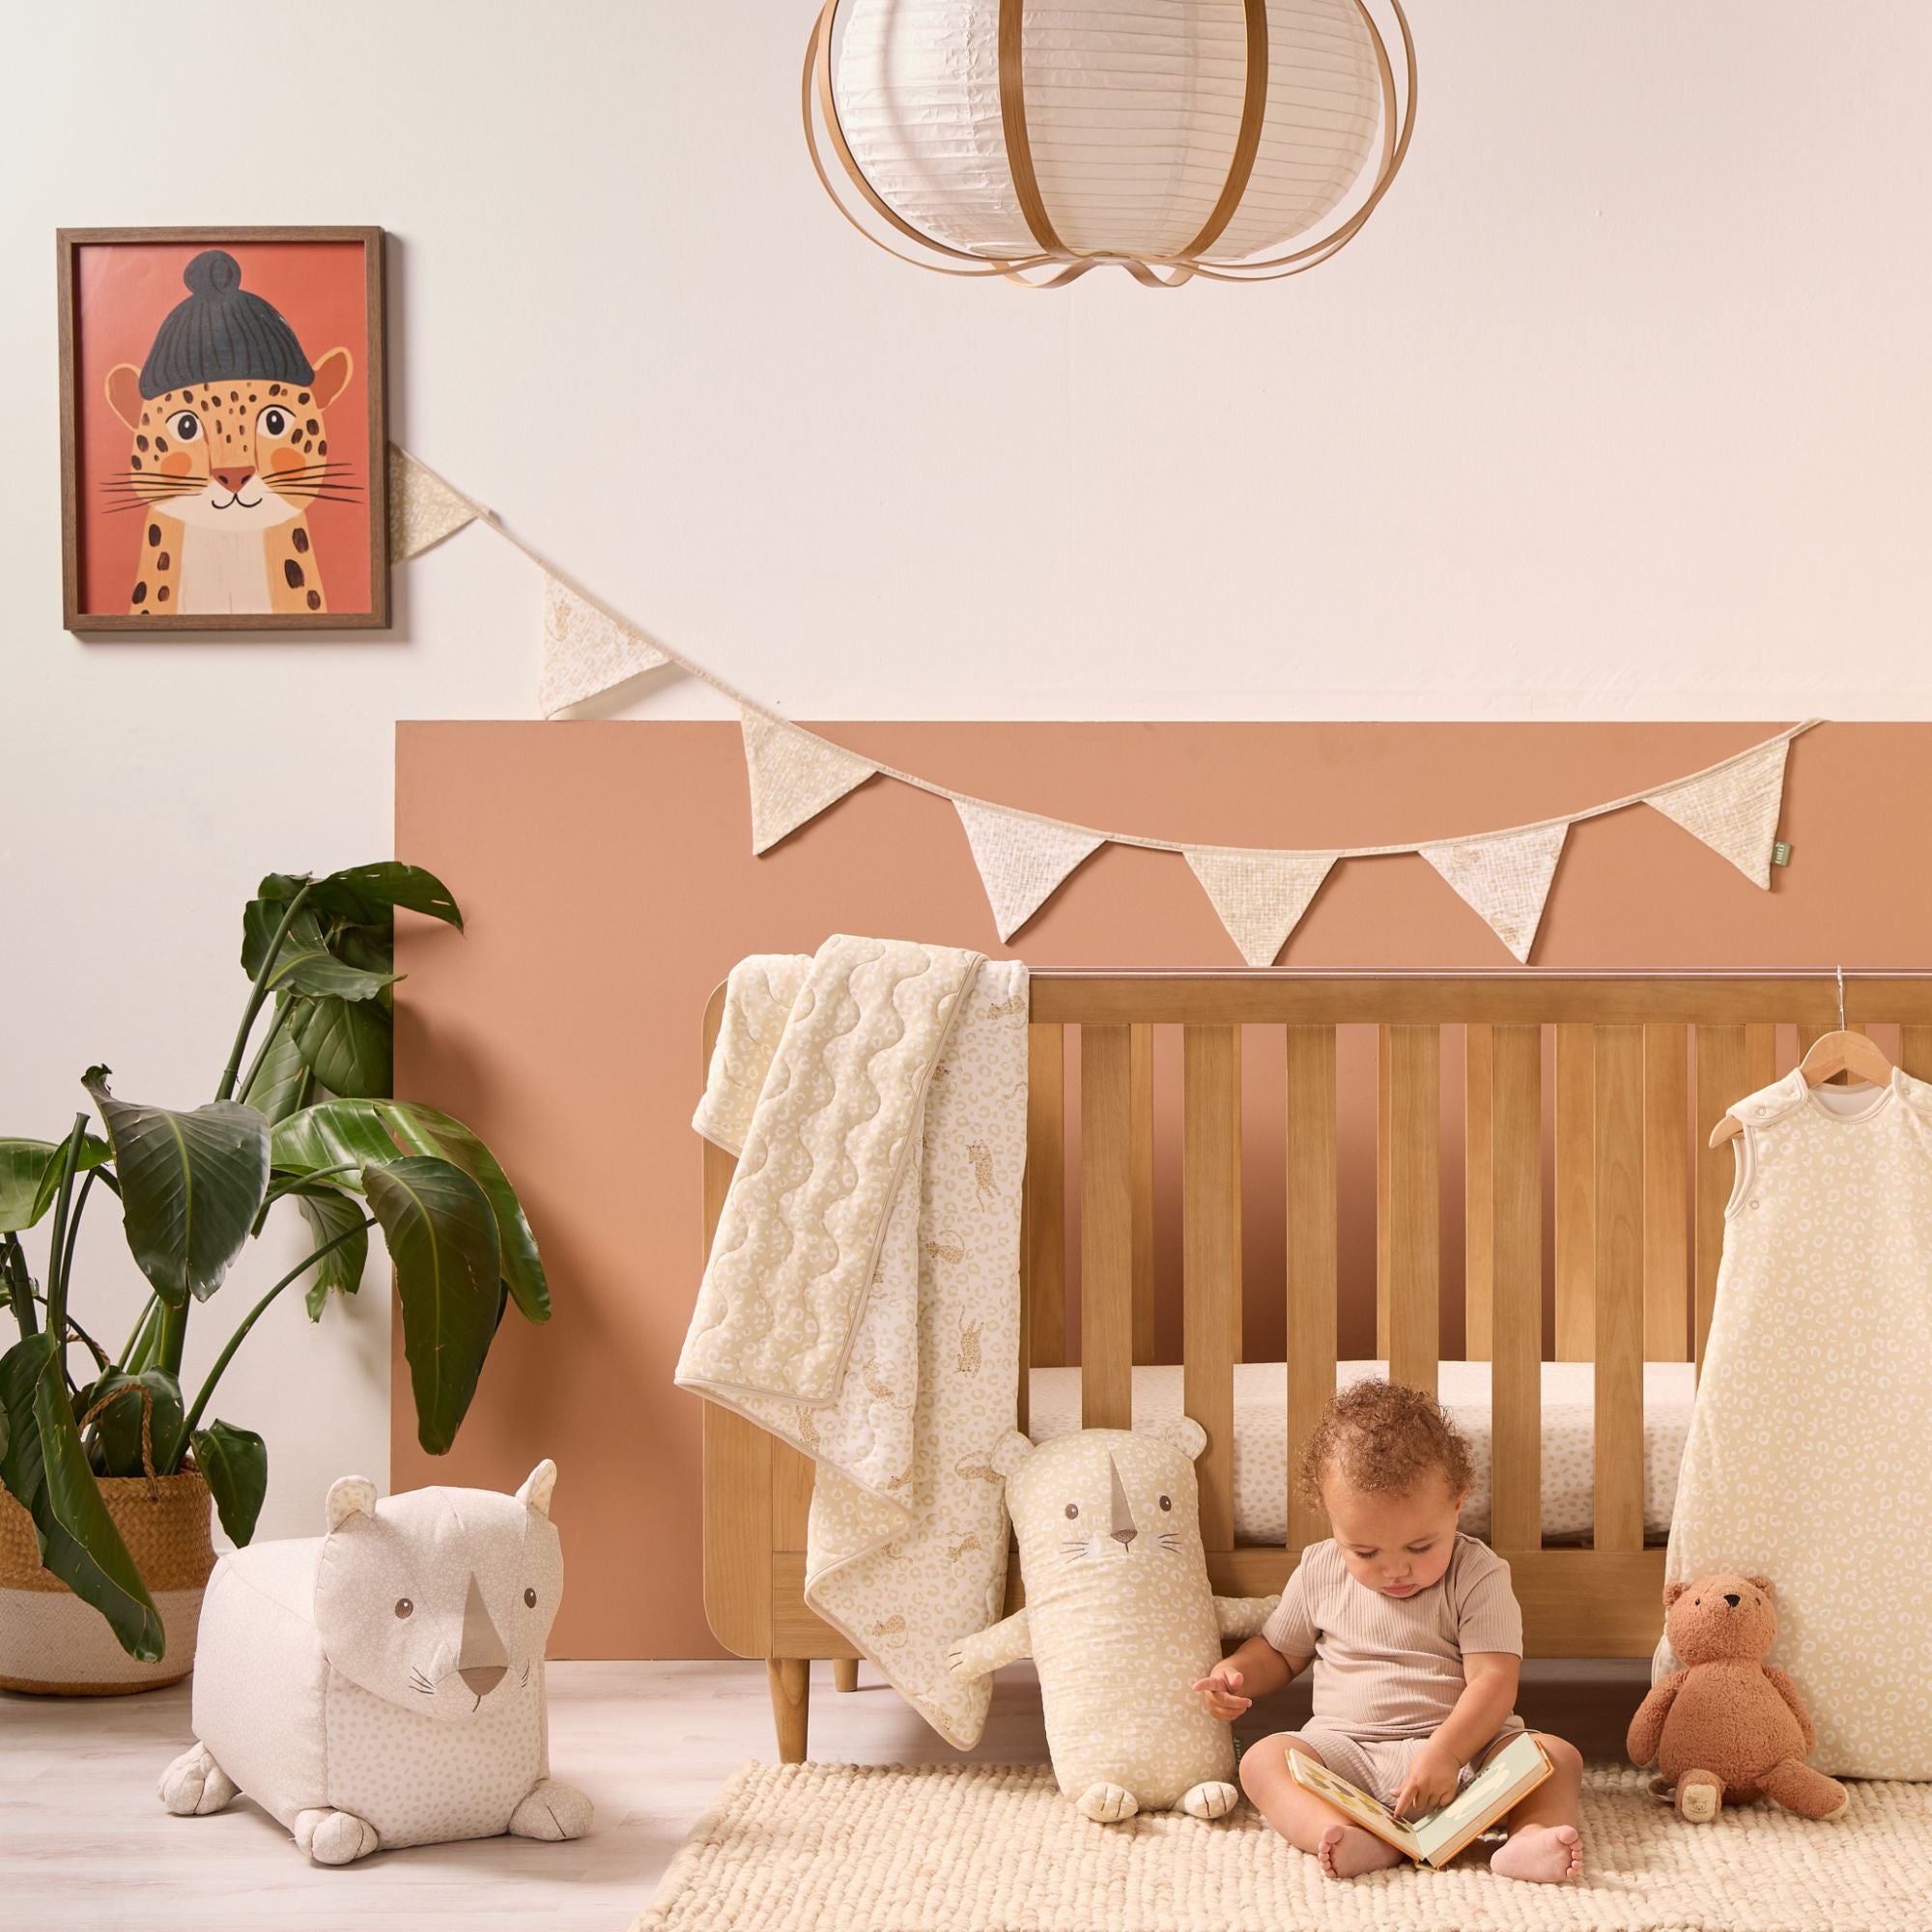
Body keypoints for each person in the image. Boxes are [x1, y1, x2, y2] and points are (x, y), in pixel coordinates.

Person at [1193, 1378, 1584, 1882]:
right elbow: (1277, 1651)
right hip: (1346, 1754)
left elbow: (1494, 1681)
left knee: (1555, 1757)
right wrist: (1236, 1675)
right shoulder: (1318, 1570)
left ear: (1458, 1503)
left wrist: (1446, 1753)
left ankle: (1530, 1837)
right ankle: (1348, 1836)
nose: (1395, 1570)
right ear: (1330, 1519)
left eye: (1420, 1547)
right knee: (1263, 1761)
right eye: (1366, 1552)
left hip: (1465, 1755)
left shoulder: (1478, 1572)